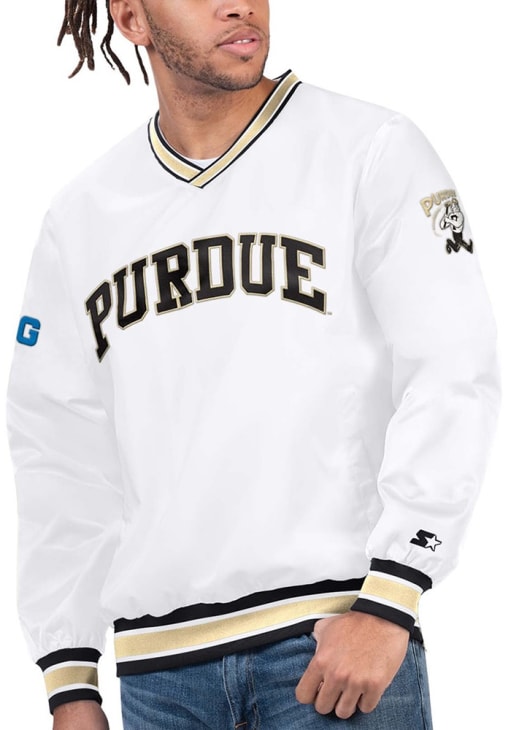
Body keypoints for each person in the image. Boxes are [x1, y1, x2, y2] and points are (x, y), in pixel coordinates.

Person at [6, 1, 500, 729]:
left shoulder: (369, 148)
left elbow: (453, 367)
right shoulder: (82, 215)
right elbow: (58, 449)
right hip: (159, 677)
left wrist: (395, 593)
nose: (238, 3)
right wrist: (69, 677)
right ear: (132, 19)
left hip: (332, 645)